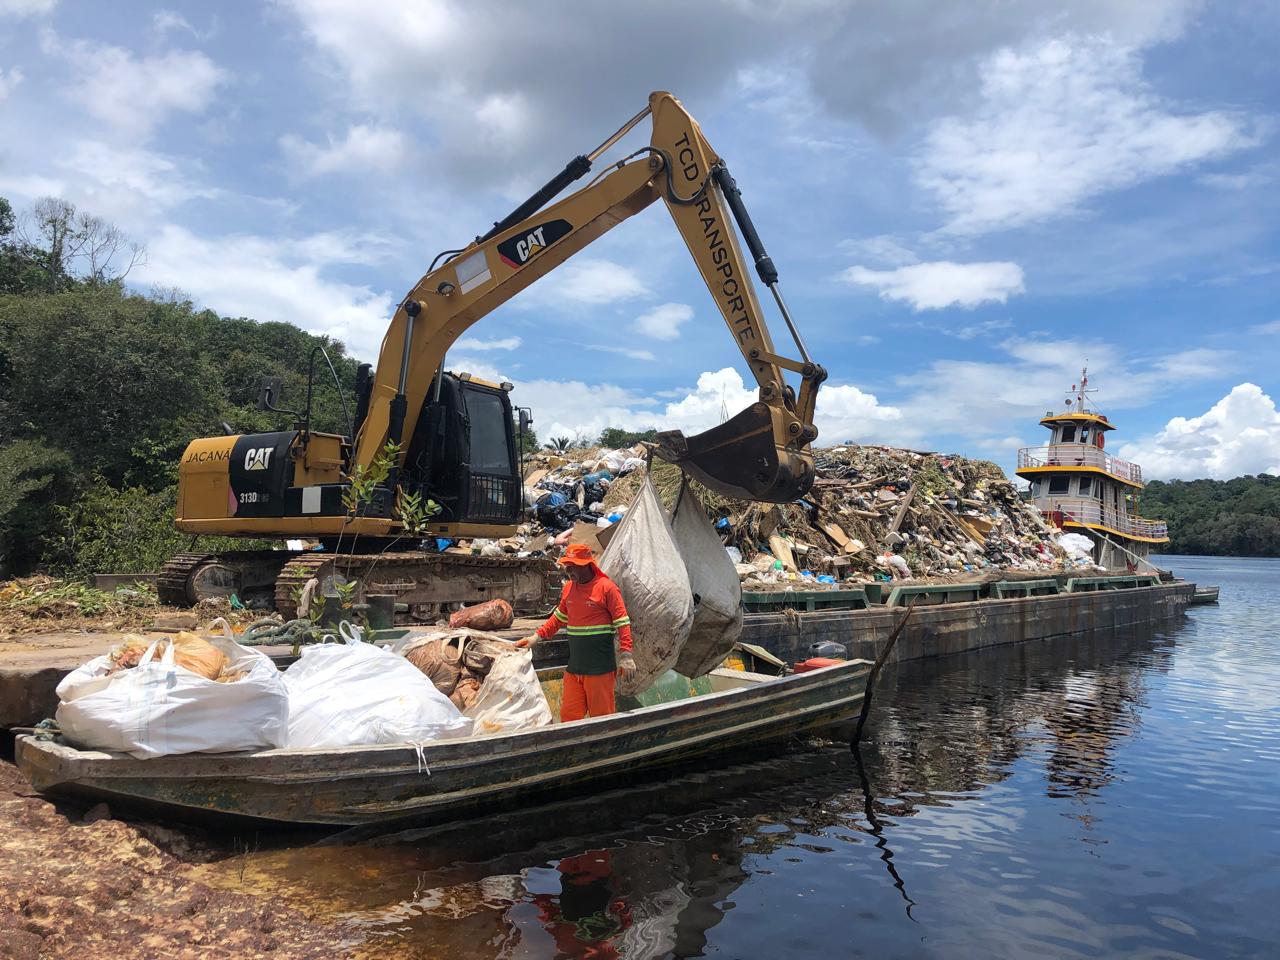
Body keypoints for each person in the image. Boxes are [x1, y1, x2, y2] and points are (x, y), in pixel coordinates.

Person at [518, 542, 636, 721]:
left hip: (600, 670)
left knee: (602, 720)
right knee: (568, 717)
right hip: (575, 669)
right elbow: (558, 619)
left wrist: (626, 656)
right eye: (567, 567)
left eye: (573, 567)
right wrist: (535, 638)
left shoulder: (607, 588)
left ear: (587, 565)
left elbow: (623, 622)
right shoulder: (569, 588)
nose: (569, 571)